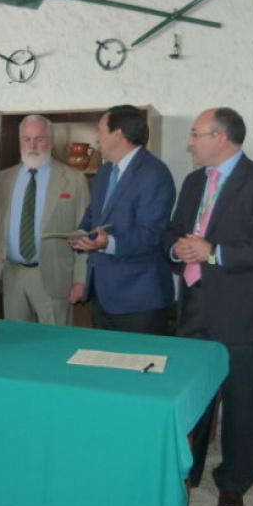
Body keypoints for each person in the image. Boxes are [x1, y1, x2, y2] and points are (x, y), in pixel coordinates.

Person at [164, 107, 253, 506]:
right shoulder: (193, 181)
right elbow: (173, 230)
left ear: (221, 137)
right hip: (195, 304)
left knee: (243, 401)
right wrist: (177, 248)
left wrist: (213, 252)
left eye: (196, 134)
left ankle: (236, 479)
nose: (189, 142)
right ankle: (188, 469)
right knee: (191, 395)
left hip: (245, 313)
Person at [69, 105, 174, 335]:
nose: (97, 139)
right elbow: (93, 214)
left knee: (137, 367)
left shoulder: (154, 173)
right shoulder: (106, 171)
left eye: (101, 131)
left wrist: (108, 243)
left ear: (118, 135)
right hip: (103, 294)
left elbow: (152, 234)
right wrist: (81, 233)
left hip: (139, 299)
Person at [0, 114, 90, 324]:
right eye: (27, 139)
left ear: (51, 141)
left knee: (55, 346)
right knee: (17, 344)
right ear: (20, 143)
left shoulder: (73, 180)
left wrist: (81, 280)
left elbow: (85, 233)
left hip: (54, 276)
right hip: (12, 275)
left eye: (39, 139)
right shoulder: (3, 179)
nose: (32, 145)